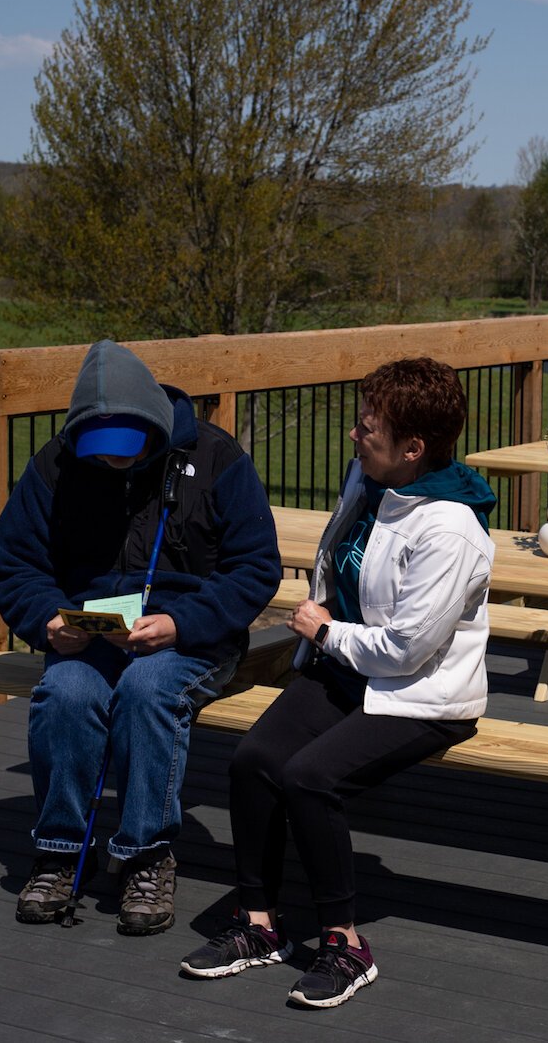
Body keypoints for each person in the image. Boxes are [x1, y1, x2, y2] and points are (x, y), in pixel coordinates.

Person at [180, 357, 496, 1011]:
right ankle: (259, 925)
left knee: (309, 777)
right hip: (348, 669)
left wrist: (325, 634)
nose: (354, 438)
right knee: (254, 763)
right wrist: (329, 634)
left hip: (422, 693)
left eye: (368, 431)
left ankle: (344, 945)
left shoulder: (449, 528)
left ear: (413, 449)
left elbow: (409, 651)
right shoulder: (372, 478)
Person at [0, 339, 281, 935]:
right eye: (99, 451)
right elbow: (14, 563)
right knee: (66, 694)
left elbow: (255, 568)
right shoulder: (55, 464)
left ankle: (146, 855)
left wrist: (183, 624)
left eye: (126, 449)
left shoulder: (218, 457)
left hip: (191, 634)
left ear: (154, 423)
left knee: (149, 689)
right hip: (90, 632)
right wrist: (47, 618)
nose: (113, 461)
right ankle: (59, 852)